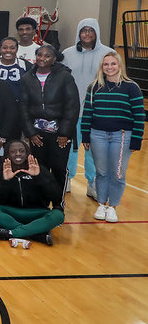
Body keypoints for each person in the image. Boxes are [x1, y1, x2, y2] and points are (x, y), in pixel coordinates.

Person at [81, 51, 145, 223]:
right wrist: (85, 135)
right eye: (106, 64)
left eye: (113, 64)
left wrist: (137, 139)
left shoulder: (131, 87)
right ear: (102, 67)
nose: (109, 67)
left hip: (122, 136)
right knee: (101, 172)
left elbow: (139, 115)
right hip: (97, 135)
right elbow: (87, 113)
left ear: (119, 66)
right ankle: (101, 204)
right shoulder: (95, 87)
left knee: (117, 173)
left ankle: (113, 207)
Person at [63, 18, 114, 198]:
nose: (87, 34)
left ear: (96, 32)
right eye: (83, 30)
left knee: (94, 148)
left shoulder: (109, 53)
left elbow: (116, 80)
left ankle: (93, 182)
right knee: (70, 147)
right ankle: (66, 178)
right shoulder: (67, 54)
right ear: (78, 32)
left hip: (97, 111)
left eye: (90, 30)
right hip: (72, 110)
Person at [19, 44, 79, 195]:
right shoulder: (27, 78)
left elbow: (72, 106)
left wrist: (65, 132)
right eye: (40, 55)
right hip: (37, 133)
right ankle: (42, 202)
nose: (42, 58)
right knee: (39, 168)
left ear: (53, 59)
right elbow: (23, 107)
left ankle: (58, 202)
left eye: (47, 56)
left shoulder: (65, 77)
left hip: (59, 134)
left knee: (59, 169)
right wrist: (30, 132)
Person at [0, 140, 64, 246]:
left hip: (36, 213)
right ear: (8, 155)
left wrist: (39, 177)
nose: (18, 154)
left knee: (58, 215)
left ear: (27, 153)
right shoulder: (2, 171)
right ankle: (35, 234)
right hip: (11, 214)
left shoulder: (40, 169)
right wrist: (6, 181)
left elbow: (56, 197)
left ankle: (12, 233)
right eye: (13, 151)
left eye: (21, 151)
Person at [0, 36, 32, 101]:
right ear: (0, 49)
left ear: (17, 49)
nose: (8, 50)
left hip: (19, 106)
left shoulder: (25, 65)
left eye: (12, 48)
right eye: (5, 48)